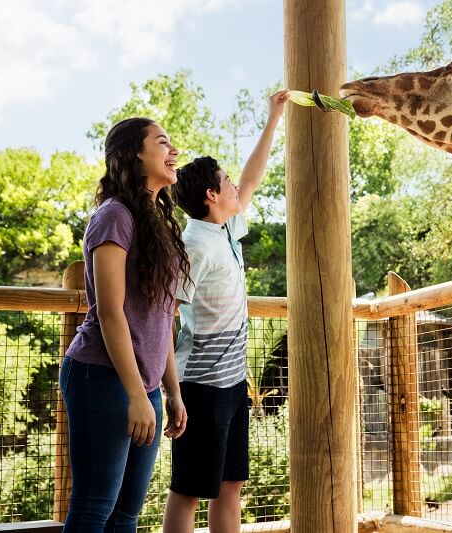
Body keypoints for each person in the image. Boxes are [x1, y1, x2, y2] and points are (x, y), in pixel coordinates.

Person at [163, 89, 289, 533]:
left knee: (231, 483)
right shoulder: (195, 244)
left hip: (233, 383)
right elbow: (165, 316)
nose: (237, 186)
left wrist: (274, 118)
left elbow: (252, 179)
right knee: (189, 489)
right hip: (199, 387)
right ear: (213, 194)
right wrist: (173, 392)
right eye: (227, 182)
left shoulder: (226, 227)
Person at [59, 117, 190, 532]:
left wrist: (171, 390)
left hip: (145, 387)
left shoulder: (157, 223)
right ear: (135, 153)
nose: (174, 152)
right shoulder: (114, 216)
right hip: (102, 377)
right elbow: (111, 311)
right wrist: (136, 393)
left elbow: (162, 316)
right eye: (163, 143)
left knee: (126, 515)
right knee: (95, 507)